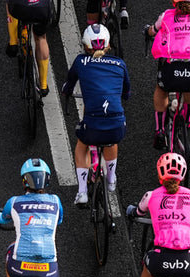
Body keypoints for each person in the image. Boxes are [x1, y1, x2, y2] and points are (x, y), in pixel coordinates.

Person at [127, 153, 190, 277]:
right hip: (187, 260)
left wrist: (132, 213)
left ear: (160, 176)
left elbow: (139, 212)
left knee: (147, 267)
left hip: (162, 257)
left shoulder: (151, 196)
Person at [61, 24, 131, 205]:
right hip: (116, 123)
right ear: (108, 45)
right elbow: (127, 94)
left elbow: (68, 86)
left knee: (82, 144)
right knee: (111, 140)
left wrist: (67, 93)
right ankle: (111, 179)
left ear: (86, 45)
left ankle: (82, 191)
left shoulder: (80, 61)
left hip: (93, 123)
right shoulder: (120, 64)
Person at [144, 0, 190, 150]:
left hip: (172, 70)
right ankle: (187, 118)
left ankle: (159, 129)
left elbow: (153, 31)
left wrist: (148, 31)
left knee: (161, 90)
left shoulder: (166, 15)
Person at [5, 0, 51, 97]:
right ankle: (43, 86)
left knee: (8, 3)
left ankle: (13, 42)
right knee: (41, 38)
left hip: (20, 7)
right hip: (41, 9)